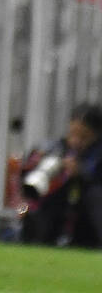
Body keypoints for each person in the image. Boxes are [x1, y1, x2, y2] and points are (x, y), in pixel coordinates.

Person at [19, 103, 102, 248]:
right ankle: (39, 241)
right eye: (73, 135)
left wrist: (82, 173)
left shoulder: (97, 154)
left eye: (83, 137)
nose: (76, 141)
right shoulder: (59, 147)